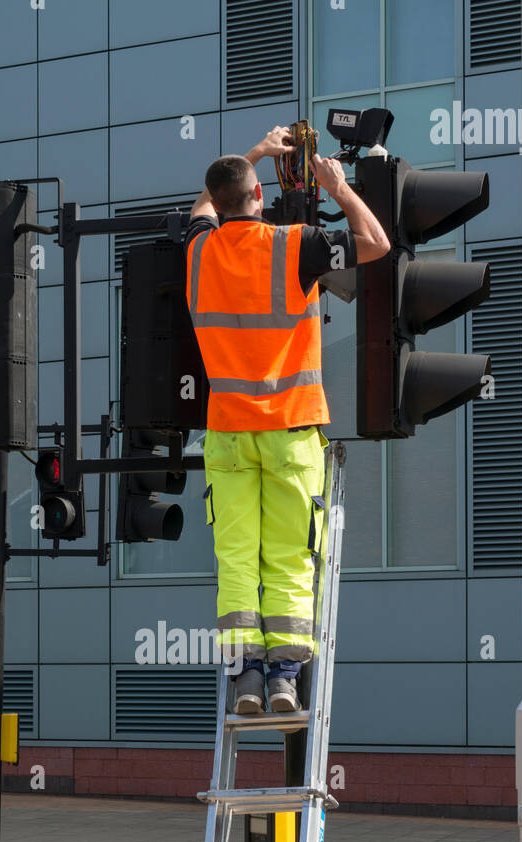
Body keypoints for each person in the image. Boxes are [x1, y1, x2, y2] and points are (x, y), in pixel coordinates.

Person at [185, 127, 390, 714]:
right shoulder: (295, 244)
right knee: (290, 555)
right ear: (258, 196)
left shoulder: (200, 249)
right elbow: (374, 243)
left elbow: (205, 201)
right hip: (290, 431)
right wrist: (339, 187)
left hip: (227, 433)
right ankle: (282, 678)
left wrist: (252, 153)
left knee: (237, 556)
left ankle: (244, 675)